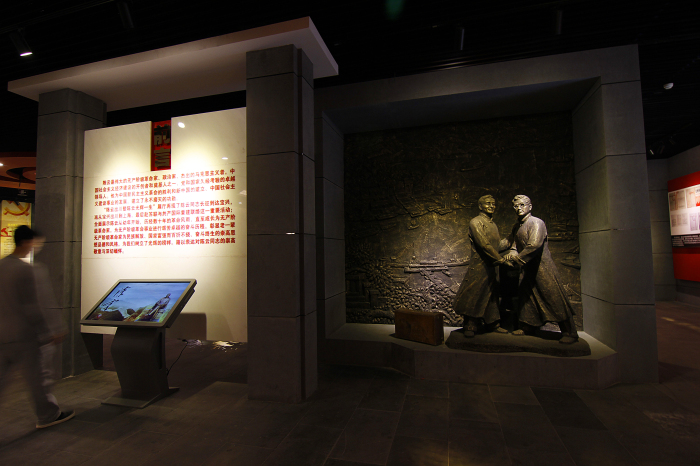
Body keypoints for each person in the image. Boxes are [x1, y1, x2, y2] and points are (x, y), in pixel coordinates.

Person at [0, 226, 74, 428]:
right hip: (25, 335)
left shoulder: (2, 266)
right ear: (27, 242)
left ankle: (48, 413)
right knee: (38, 378)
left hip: (3, 334)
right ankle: (48, 414)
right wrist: (49, 331)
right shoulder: (27, 269)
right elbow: (33, 306)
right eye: (36, 243)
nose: (37, 247)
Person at [502, 195, 579, 344]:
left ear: (529, 207)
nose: (519, 208)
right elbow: (514, 246)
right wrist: (511, 253)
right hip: (527, 268)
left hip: (542, 267)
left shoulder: (536, 223)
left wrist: (517, 259)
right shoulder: (517, 226)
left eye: (522, 205)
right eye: (516, 206)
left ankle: (570, 332)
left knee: (553, 297)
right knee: (527, 297)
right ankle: (528, 326)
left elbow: (534, 245)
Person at [453, 195, 509, 337]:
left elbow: (497, 246)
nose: (491, 206)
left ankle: (492, 323)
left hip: (492, 266)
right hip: (480, 265)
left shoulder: (493, 225)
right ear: (480, 206)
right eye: (488, 203)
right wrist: (500, 260)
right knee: (475, 293)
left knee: (491, 294)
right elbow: (484, 245)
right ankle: (470, 324)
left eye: (493, 204)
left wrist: (512, 236)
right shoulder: (476, 222)